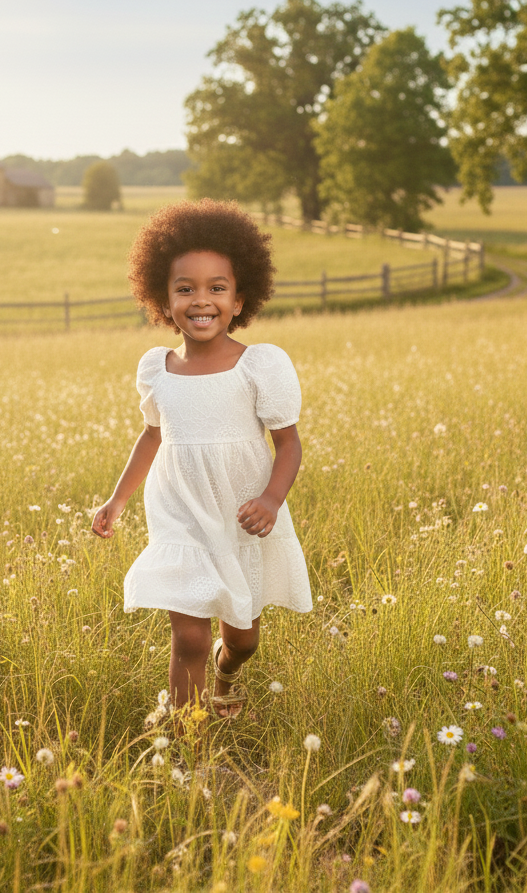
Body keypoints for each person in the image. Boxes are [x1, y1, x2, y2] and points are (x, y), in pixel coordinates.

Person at [92, 200, 312, 720]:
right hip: (180, 511)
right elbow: (152, 437)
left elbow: (289, 443)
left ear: (239, 299)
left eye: (217, 288)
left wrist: (272, 499)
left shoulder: (259, 364)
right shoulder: (157, 370)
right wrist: (118, 500)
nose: (201, 300)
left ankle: (227, 671)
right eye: (184, 288)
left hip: (242, 513)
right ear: (163, 300)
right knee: (188, 635)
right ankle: (190, 742)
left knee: (244, 638)